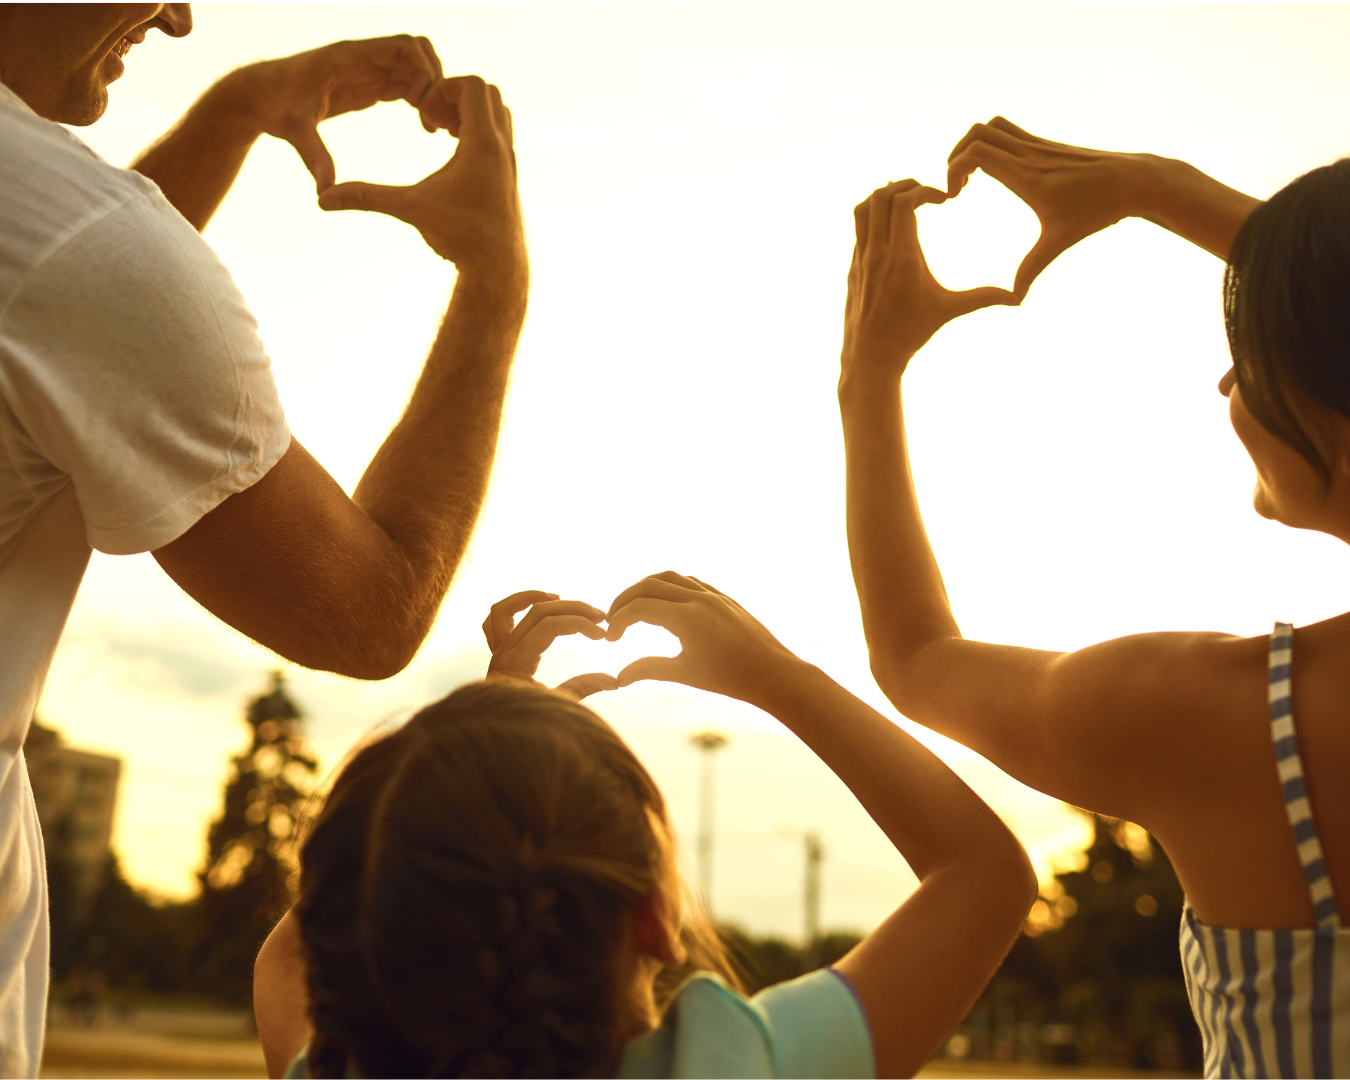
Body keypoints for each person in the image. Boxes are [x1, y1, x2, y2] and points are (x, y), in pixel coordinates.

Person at [0, 7, 526, 1074]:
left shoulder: (52, 240)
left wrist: (235, 114)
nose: (180, 13)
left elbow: (56, 313)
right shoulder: (79, 246)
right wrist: (493, 285)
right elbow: (370, 610)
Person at [840, 117, 1349, 1078]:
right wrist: (1161, 187)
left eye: (1254, 346)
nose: (1228, 376)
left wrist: (868, 377)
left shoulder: (1236, 721)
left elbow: (916, 660)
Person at [252, 574, 1038, 1078]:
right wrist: (777, 678)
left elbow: (288, 958)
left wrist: (470, 747)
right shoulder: (739, 1070)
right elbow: (985, 872)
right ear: (656, 918)